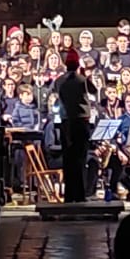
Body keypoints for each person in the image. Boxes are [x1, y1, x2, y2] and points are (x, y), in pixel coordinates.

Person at [55, 49, 92, 203]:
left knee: (68, 159)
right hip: (81, 121)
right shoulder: (81, 80)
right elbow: (94, 90)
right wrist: (83, 73)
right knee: (80, 158)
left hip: (65, 121)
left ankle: (69, 196)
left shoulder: (59, 80)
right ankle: (80, 195)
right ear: (77, 64)